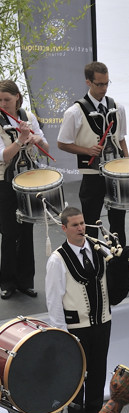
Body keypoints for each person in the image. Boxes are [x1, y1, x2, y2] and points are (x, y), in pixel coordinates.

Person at [45, 207, 129, 413]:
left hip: (102, 322)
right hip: (76, 327)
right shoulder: (58, 259)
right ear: (64, 228)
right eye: (75, 225)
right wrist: (61, 334)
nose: (81, 228)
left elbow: (117, 273)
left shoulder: (99, 250)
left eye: (82, 223)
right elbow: (53, 299)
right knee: (78, 375)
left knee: (98, 371)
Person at [56, 61, 129, 243]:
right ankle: (93, 259)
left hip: (116, 172)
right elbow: (62, 143)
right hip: (92, 174)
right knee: (91, 222)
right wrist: (87, 150)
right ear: (88, 82)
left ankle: (118, 261)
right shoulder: (74, 112)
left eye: (106, 83)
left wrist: (128, 164)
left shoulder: (118, 107)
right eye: (99, 84)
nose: (104, 88)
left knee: (118, 221)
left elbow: (121, 139)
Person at [0, 79, 47, 300]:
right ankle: (7, 281)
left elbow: (45, 149)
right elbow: (3, 156)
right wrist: (20, 140)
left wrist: (37, 138)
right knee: (9, 233)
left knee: (27, 231)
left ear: (17, 97)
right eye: (0, 99)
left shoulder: (28, 117)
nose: (3, 103)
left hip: (28, 180)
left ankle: (25, 281)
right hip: (5, 182)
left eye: (7, 99)